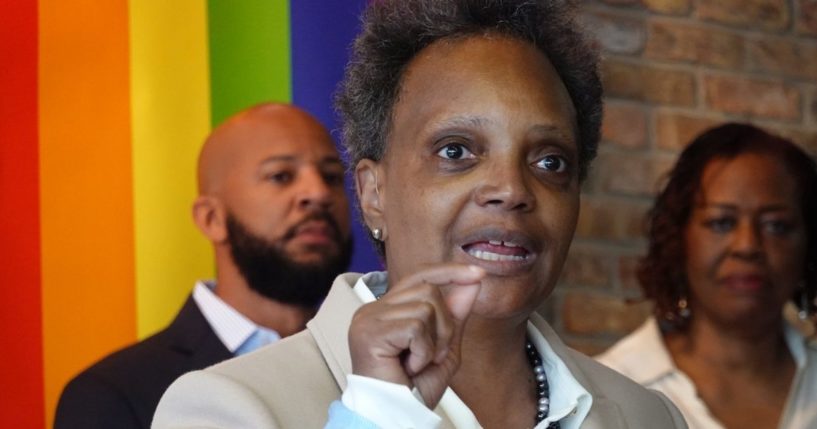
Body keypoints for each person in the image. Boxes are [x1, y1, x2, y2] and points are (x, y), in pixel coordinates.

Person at [153, 1, 687, 428]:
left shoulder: (647, 415)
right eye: (456, 151)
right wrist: (378, 417)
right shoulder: (229, 408)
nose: (511, 189)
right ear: (373, 191)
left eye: (550, 161)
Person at [54, 103, 352, 428]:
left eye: (332, 177)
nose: (319, 193)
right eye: (281, 176)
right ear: (212, 219)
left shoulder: (376, 360)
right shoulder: (111, 395)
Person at [597, 123, 817, 429]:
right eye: (722, 223)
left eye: (776, 226)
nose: (748, 246)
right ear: (678, 236)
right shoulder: (609, 391)